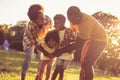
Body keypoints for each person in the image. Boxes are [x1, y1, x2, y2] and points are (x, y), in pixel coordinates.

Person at [53, 6, 108, 80]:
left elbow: (79, 43)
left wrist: (61, 51)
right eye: (69, 20)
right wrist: (68, 40)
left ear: (78, 16)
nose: (71, 22)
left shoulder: (86, 23)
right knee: (83, 63)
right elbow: (75, 35)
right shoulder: (73, 20)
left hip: (100, 41)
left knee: (87, 63)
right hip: (90, 40)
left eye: (72, 20)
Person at [21, 4, 52, 80]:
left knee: (42, 57)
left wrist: (48, 51)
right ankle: (23, 77)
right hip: (30, 37)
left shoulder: (48, 20)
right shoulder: (31, 25)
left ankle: (38, 77)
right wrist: (46, 52)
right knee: (29, 56)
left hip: (43, 36)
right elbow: (36, 43)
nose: (42, 19)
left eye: (42, 16)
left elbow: (51, 34)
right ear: (33, 20)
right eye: (38, 19)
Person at [51, 14, 77, 80]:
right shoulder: (54, 32)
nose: (56, 25)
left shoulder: (69, 31)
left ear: (63, 23)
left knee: (62, 70)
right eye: (55, 23)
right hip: (59, 54)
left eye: (58, 23)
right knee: (57, 69)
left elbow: (76, 41)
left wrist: (69, 42)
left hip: (68, 54)